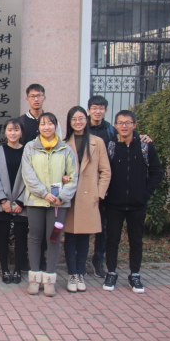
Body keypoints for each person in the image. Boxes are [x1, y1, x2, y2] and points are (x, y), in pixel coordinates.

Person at [86, 95, 152, 278]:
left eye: (101, 108)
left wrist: (142, 137)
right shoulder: (82, 129)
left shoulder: (110, 131)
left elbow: (127, 139)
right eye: (94, 108)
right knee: (83, 225)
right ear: (89, 110)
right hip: (86, 184)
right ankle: (79, 261)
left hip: (107, 188)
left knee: (104, 227)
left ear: (105, 111)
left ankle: (98, 260)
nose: (97, 111)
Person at [103, 110, 162, 294]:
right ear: (115, 125)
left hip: (137, 204)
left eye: (128, 122)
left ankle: (135, 274)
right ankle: (111, 272)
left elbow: (157, 172)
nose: (124, 126)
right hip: (114, 203)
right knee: (112, 240)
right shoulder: (110, 146)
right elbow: (103, 171)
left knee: (136, 241)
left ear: (134, 125)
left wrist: (145, 193)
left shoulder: (145, 146)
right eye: (120, 123)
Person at [22, 112, 78, 297]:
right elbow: (28, 174)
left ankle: (49, 280)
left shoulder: (65, 149)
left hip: (58, 203)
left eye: (50, 124)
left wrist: (62, 196)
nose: (46, 127)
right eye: (43, 124)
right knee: (35, 238)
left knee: (53, 239)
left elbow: (73, 176)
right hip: (36, 200)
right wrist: (44, 193)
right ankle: (34, 279)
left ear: (56, 126)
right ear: (38, 127)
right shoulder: (30, 147)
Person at [62, 107, 111, 292]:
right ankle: (72, 274)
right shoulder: (64, 143)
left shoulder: (97, 142)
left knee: (84, 236)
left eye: (81, 118)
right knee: (69, 236)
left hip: (89, 195)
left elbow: (105, 171)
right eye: (74, 119)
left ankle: (81, 273)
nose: (78, 122)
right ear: (69, 122)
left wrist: (99, 193)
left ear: (87, 119)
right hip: (70, 196)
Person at [0, 118, 28, 284]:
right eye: (10, 130)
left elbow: (31, 178)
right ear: (5, 132)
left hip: (22, 203)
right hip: (2, 203)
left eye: (16, 130)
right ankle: (5, 269)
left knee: (21, 238)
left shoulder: (28, 152)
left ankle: (18, 269)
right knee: (3, 237)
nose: (13, 133)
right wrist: (3, 200)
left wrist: (20, 202)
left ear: (21, 132)